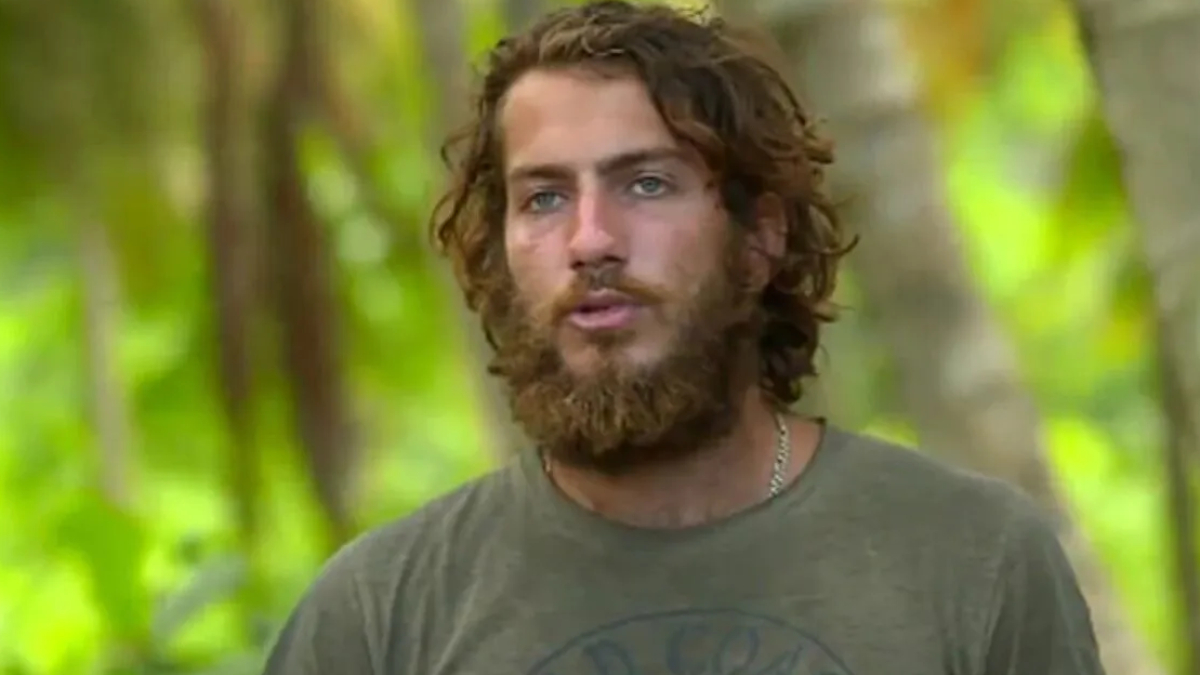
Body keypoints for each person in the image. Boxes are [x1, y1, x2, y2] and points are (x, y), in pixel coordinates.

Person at [262, 2, 1106, 673]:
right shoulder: (379, 615)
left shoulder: (973, 559)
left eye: (647, 183)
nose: (591, 239)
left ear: (759, 236)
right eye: (545, 197)